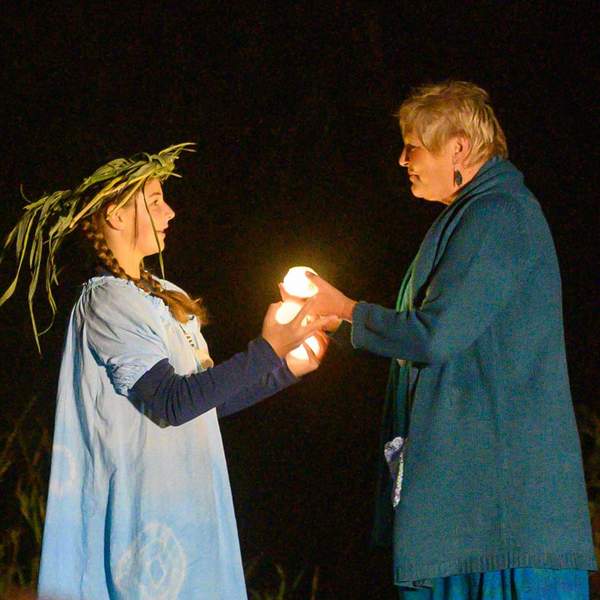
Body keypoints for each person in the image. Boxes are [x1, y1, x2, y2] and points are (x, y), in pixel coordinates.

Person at [0, 144, 332, 599]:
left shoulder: (165, 294)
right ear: (116, 215)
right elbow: (171, 402)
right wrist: (268, 348)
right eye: (155, 201)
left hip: (187, 513)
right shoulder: (107, 301)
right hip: (145, 522)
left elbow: (204, 404)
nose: (170, 212)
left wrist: (286, 365)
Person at [308, 82, 597, 598]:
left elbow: (435, 335)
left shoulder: (499, 214)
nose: (403, 160)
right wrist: (347, 327)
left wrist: (349, 309)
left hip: (504, 528)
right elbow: (437, 333)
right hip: (473, 518)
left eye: (413, 147)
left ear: (459, 147)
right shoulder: (472, 217)